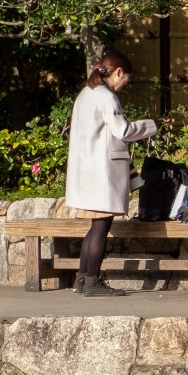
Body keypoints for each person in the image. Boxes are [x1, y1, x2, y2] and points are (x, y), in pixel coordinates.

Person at [64, 50, 157, 297]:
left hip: (87, 170)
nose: (126, 83)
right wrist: (150, 125)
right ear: (117, 72)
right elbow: (123, 130)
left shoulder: (86, 94)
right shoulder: (107, 97)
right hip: (102, 173)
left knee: (95, 227)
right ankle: (92, 281)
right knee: (101, 228)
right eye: (126, 77)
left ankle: (83, 279)